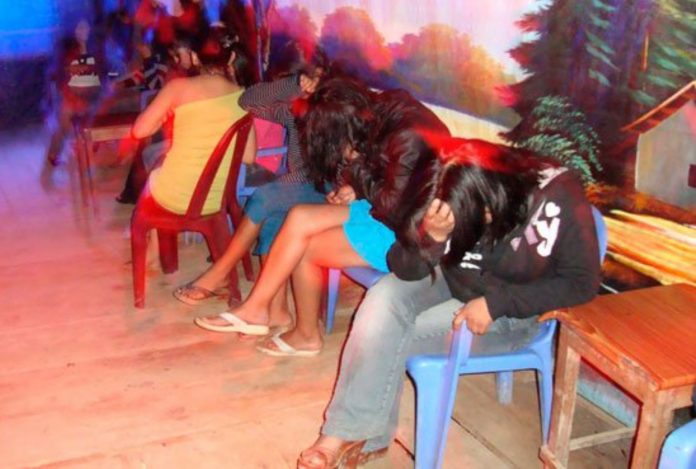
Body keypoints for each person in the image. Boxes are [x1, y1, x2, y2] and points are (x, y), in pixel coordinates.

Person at [296, 138, 601, 468]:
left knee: (383, 336)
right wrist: (433, 238)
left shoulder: (557, 195)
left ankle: (354, 436)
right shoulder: (444, 183)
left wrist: (498, 303)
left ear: (495, 202)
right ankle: (353, 433)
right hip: (454, 276)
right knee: (383, 297)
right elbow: (403, 266)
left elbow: (581, 283)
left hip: (511, 306)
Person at [192, 77, 451, 359]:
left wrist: (357, 170)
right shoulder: (380, 112)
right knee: (299, 217)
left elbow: (395, 205)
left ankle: (305, 335)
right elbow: (392, 181)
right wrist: (355, 188)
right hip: (385, 212)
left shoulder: (407, 137)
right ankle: (256, 307)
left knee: (305, 248)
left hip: (409, 233)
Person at [171, 43, 329, 313]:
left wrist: (318, 88)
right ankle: (277, 313)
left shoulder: (339, 105)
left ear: (320, 75)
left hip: (327, 187)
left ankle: (219, 274)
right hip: (300, 184)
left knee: (265, 196)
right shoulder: (292, 109)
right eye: (286, 81)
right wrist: (292, 86)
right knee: (271, 219)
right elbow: (248, 101)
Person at [131, 28, 256, 215]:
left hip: (177, 198)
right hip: (217, 200)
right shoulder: (243, 96)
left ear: (195, 57)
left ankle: (155, 231)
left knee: (150, 183)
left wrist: (161, 120)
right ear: (229, 58)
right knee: (158, 162)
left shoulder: (177, 88)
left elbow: (139, 131)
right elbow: (249, 156)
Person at [45, 19, 102, 166]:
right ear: (75, 31)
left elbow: (93, 71)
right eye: (80, 29)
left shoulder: (92, 49)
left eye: (86, 29)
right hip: (71, 95)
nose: (83, 32)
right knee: (64, 127)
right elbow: (69, 70)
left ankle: (82, 154)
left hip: (85, 95)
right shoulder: (69, 50)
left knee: (87, 124)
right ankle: (54, 155)